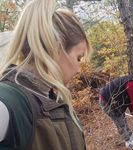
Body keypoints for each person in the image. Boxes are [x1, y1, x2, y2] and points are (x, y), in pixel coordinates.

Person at [0, 0, 92, 149]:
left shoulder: (51, 100)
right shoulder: (11, 103)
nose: (79, 69)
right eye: (78, 58)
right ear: (56, 50)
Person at [99, 74, 133, 149]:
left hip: (116, 101)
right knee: (119, 120)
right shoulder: (132, 85)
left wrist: (132, 110)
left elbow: (128, 97)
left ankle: (130, 135)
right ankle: (128, 142)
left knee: (122, 117)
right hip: (106, 101)